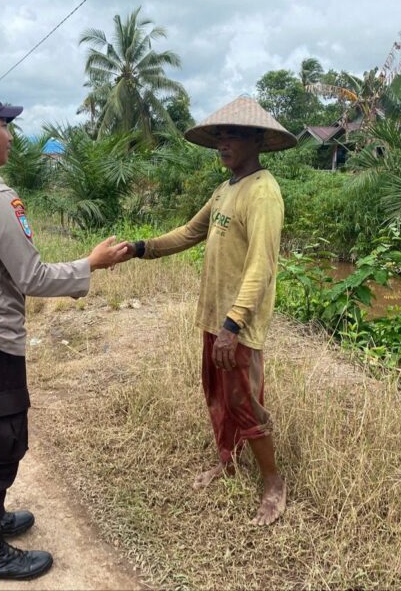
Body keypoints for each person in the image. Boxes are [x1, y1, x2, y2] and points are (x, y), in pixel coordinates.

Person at [0, 88, 129, 582]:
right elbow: (32, 277)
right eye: (4, 125)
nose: (10, 135)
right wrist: (90, 264)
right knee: (4, 438)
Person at [124, 96, 296, 526]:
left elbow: (262, 265)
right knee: (218, 396)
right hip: (214, 318)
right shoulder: (226, 188)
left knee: (245, 404)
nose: (223, 143)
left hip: (236, 325)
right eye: (219, 135)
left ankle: (274, 482)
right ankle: (228, 462)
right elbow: (189, 233)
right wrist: (139, 249)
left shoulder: (263, 193)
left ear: (257, 140)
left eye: (233, 134)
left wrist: (233, 323)